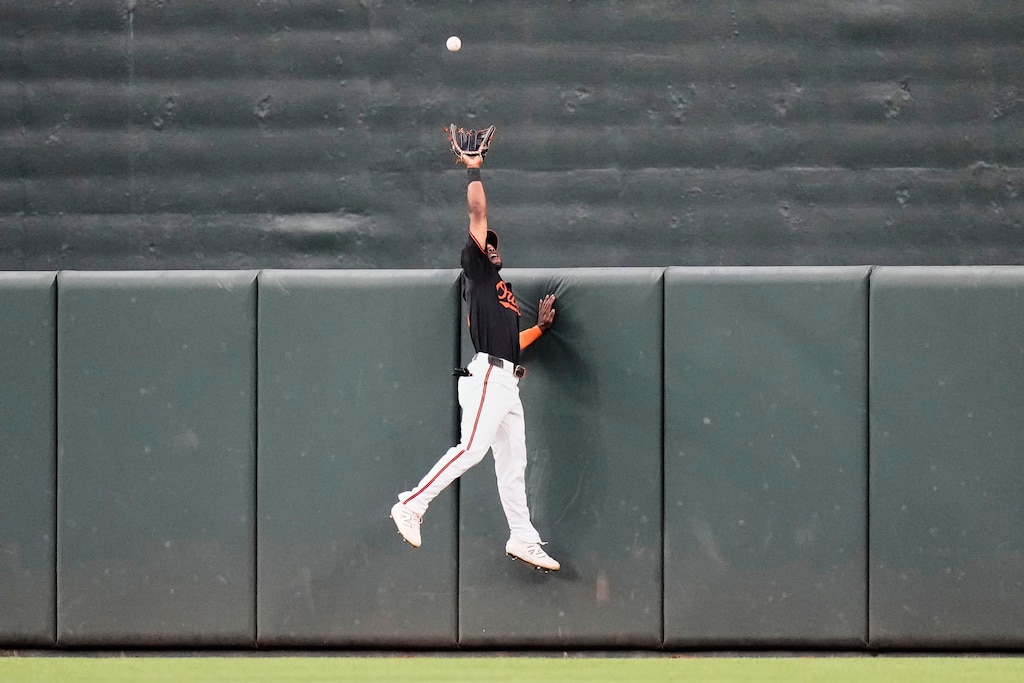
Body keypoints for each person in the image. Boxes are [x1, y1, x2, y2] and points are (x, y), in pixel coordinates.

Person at [389, 148, 560, 572]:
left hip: (507, 380)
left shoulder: (500, 290)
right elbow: (478, 211)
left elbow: (510, 341)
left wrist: (539, 329)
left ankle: (522, 536)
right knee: (470, 449)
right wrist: (474, 169)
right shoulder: (478, 273)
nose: (493, 248)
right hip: (487, 377)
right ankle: (411, 504)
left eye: (495, 246)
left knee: (513, 464)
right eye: (489, 244)